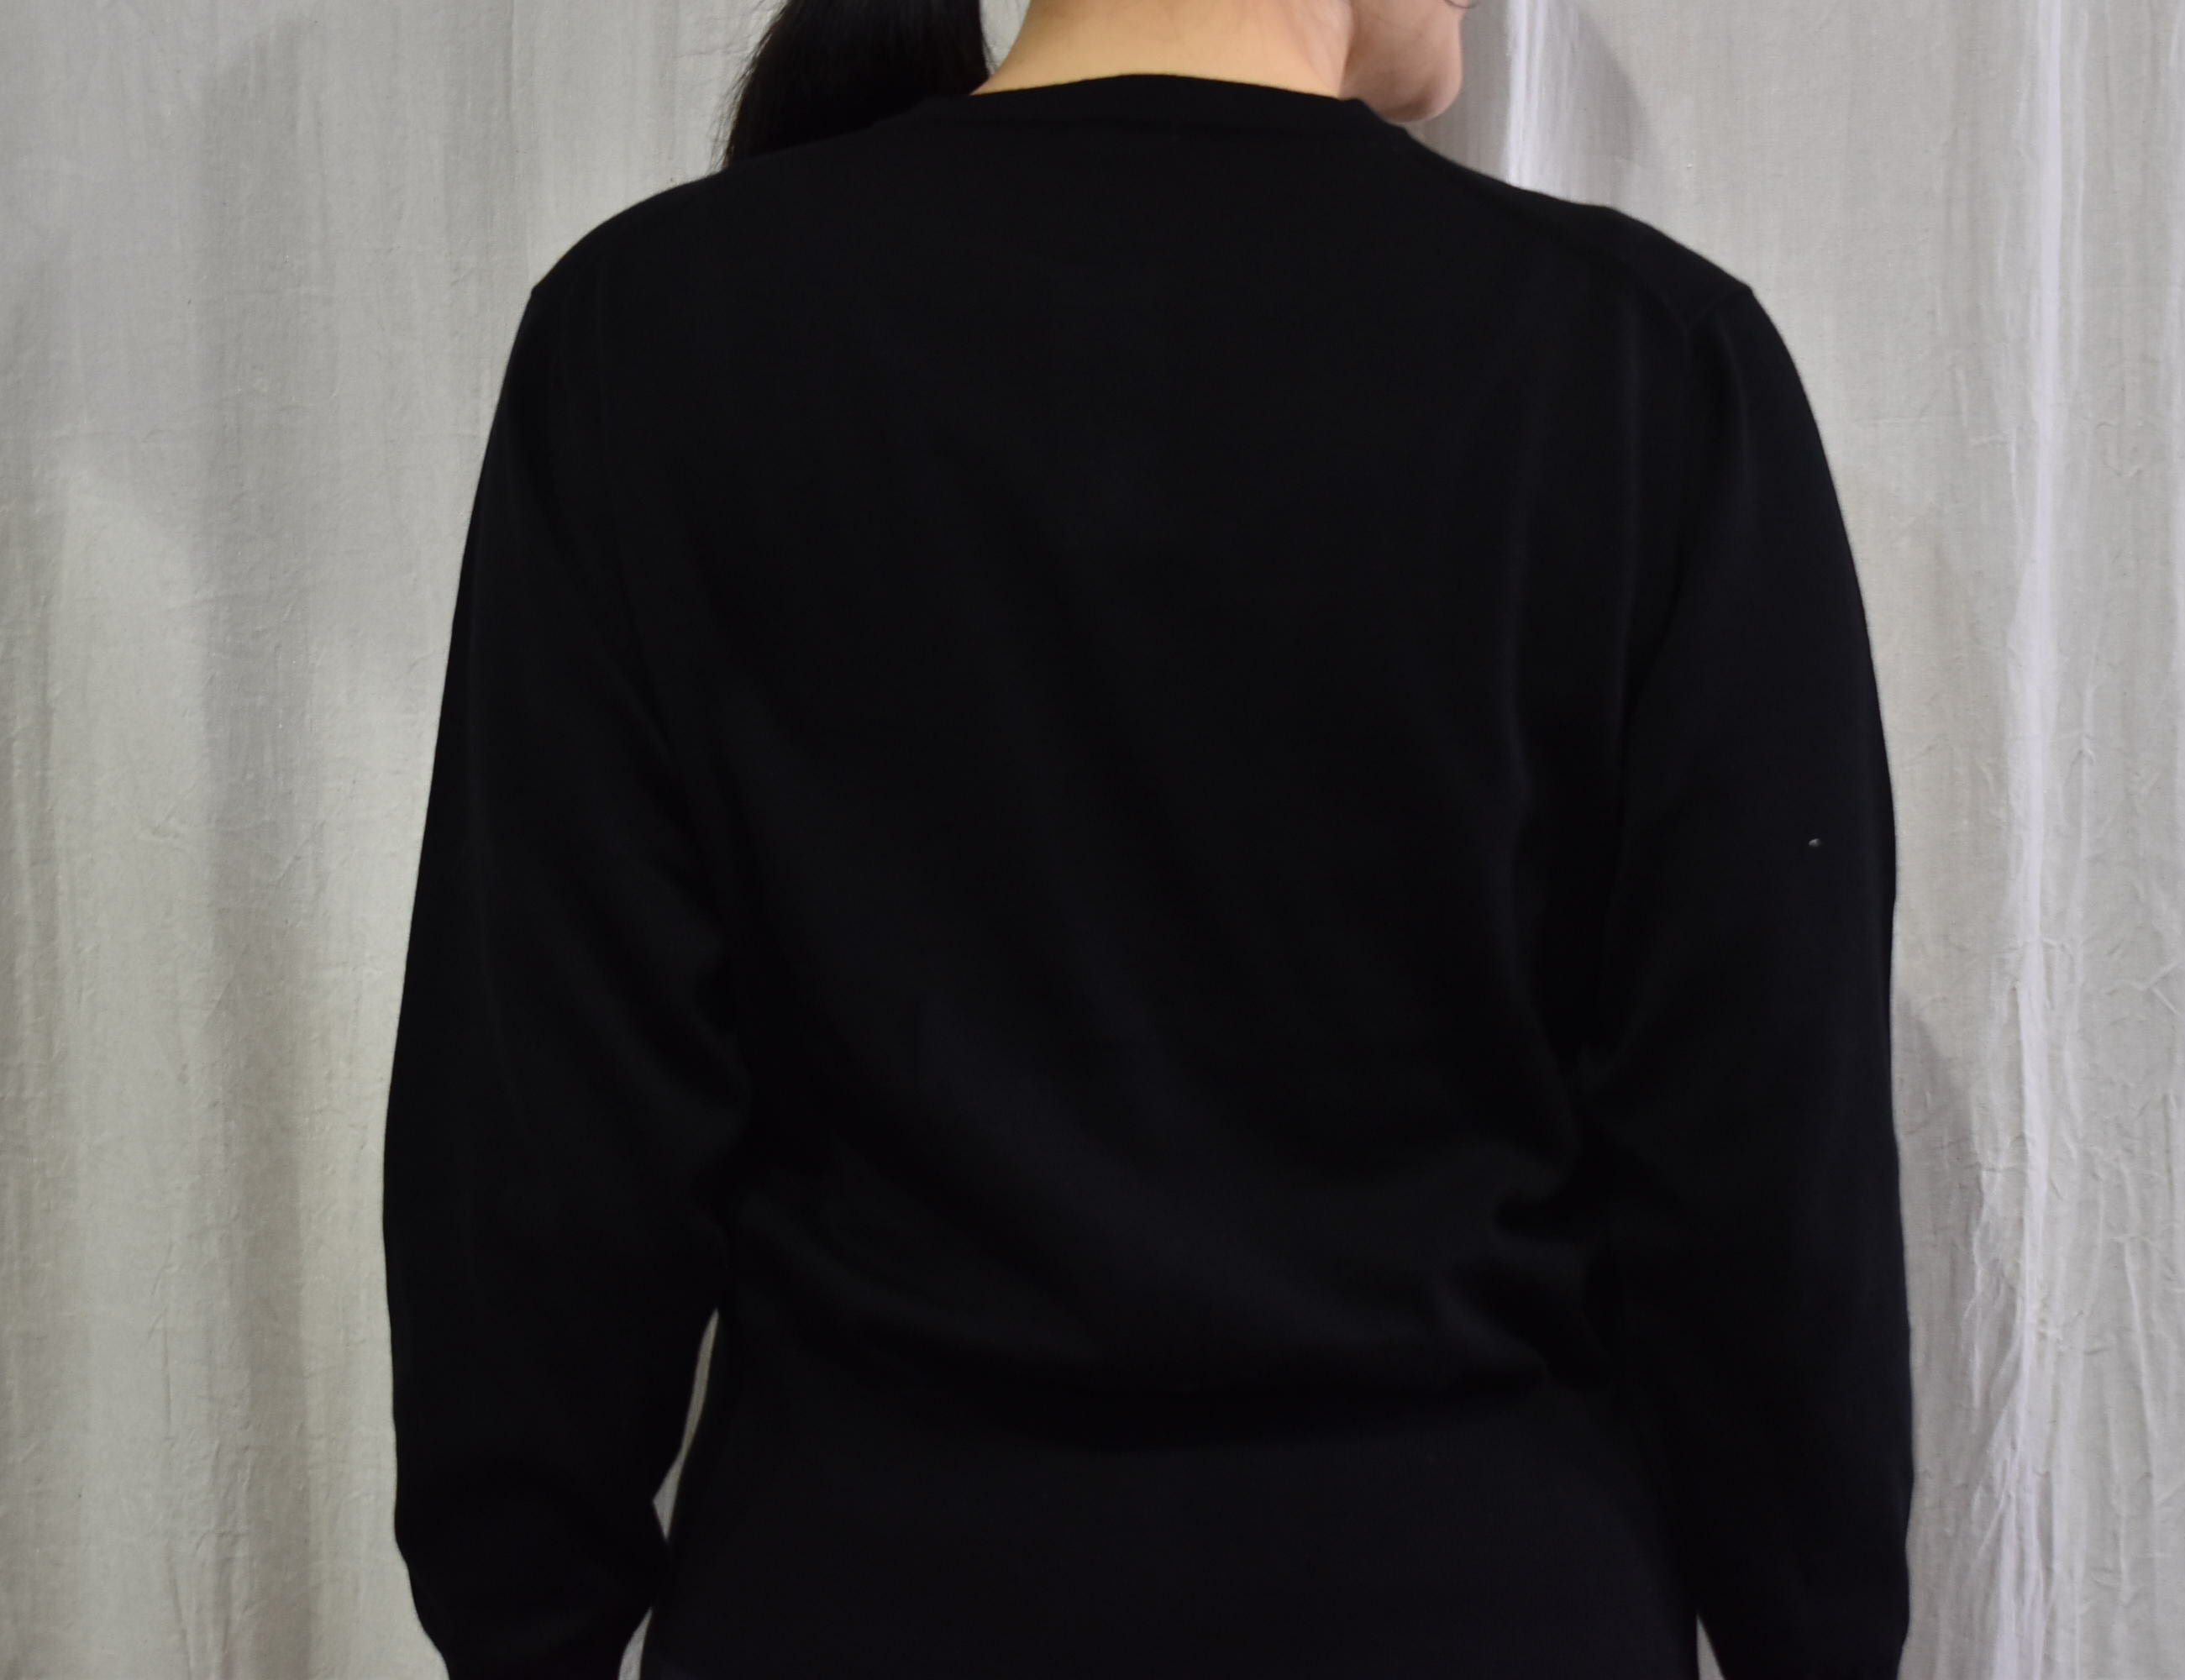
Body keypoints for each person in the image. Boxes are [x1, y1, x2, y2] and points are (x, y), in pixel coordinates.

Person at [378, 0, 1915, 1675]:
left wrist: (527, 1625)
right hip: (1479, 1598)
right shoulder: (1643, 370)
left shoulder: (653, 336)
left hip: (860, 1597)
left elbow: (540, 1148)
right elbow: (1767, 1174)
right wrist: (1812, 1634)